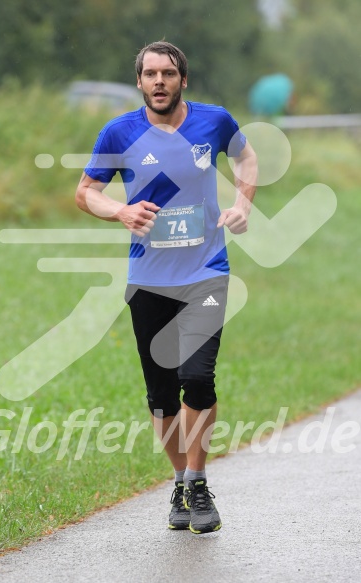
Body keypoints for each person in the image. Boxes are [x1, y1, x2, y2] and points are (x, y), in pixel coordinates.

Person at [75, 41, 257, 534]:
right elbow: (85, 192)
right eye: (150, 74)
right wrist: (121, 210)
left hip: (206, 273)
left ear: (182, 80)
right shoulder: (120, 131)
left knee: (197, 378)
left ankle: (198, 482)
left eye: (168, 73)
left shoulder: (214, 121)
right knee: (161, 397)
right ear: (139, 82)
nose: (159, 81)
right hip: (149, 280)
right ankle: (179, 483)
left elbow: (247, 159)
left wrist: (242, 203)